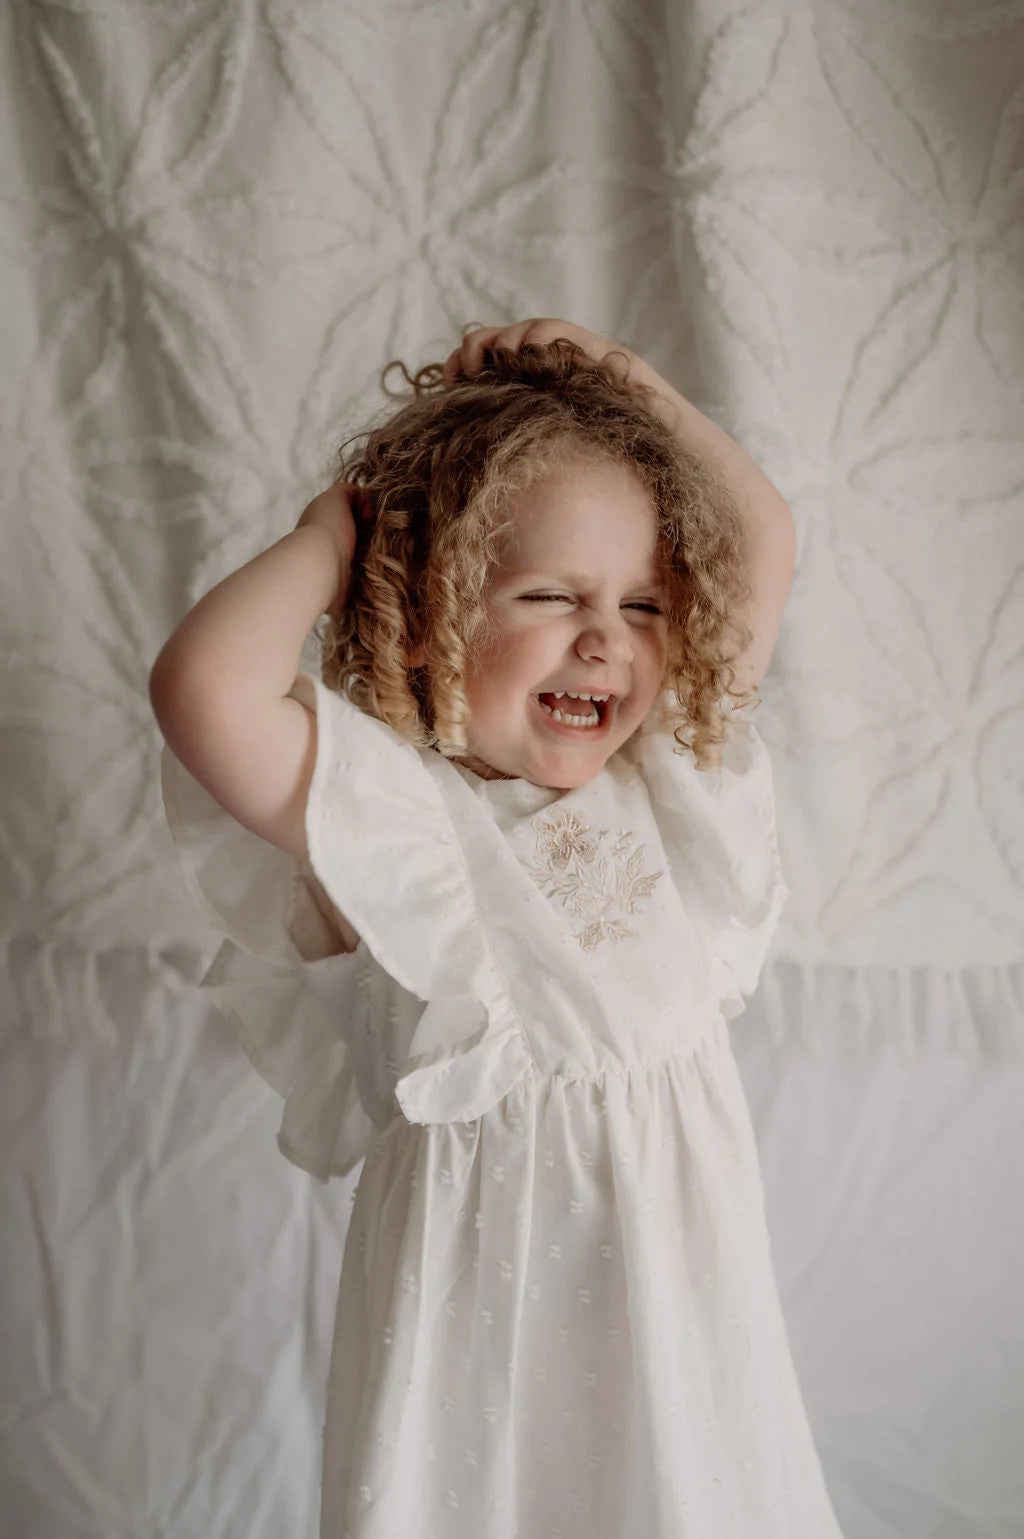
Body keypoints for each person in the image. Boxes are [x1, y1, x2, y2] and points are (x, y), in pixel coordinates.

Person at [150, 318, 843, 1537]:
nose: (607, 639)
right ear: (425, 614)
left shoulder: (669, 782)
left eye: (642, 603)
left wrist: (612, 377)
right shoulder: (391, 822)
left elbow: (762, 538)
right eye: (553, 596)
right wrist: (335, 542)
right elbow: (204, 688)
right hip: (479, 1363)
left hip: (684, 1349)